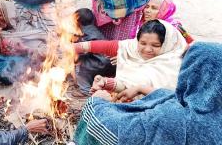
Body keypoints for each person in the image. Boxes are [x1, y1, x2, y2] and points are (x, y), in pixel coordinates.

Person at [74, 42, 222, 145]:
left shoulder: (173, 118)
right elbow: (178, 99)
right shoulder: (213, 111)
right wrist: (142, 88)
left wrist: (98, 103)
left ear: (193, 72)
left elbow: (113, 130)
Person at [74, 20, 187, 100]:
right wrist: (73, 48)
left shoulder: (173, 65)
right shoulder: (133, 46)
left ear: (166, 44)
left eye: (155, 45)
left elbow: (142, 89)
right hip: (125, 98)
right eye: (142, 43)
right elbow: (108, 46)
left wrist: (107, 86)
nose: (147, 49)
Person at [0, 1, 47, 88]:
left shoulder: (25, 28)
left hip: (20, 70)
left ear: (9, 15)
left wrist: (24, 49)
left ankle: (23, 85)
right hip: (0, 70)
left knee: (34, 60)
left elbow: (45, 51)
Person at [72, 8, 115, 98]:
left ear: (77, 21)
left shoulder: (84, 34)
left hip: (99, 63)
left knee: (80, 67)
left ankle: (85, 91)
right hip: (109, 64)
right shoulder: (95, 30)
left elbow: (80, 52)